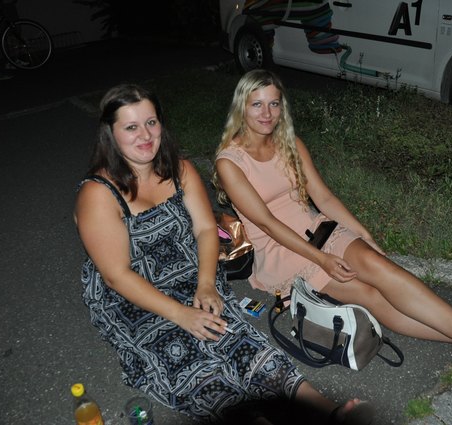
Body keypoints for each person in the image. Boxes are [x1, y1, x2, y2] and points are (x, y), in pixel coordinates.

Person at [73, 83, 374, 425]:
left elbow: (205, 229)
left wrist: (205, 284)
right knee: (189, 361)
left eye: (151, 122)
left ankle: (328, 412)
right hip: (133, 294)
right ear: (110, 134)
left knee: (238, 340)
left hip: (190, 273)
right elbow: (116, 275)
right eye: (131, 127)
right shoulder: (98, 194)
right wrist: (180, 314)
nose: (145, 135)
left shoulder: (180, 170)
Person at [213, 69, 452, 381]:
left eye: (274, 103)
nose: (267, 113)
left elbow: (323, 197)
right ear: (242, 107)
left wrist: (363, 235)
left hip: (319, 230)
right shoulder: (230, 162)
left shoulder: (290, 144)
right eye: (258, 104)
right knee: (371, 295)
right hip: (283, 254)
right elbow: (268, 224)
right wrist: (322, 260)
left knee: (380, 266)